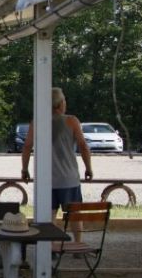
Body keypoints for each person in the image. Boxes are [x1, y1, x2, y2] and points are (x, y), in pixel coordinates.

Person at [20, 87, 93, 237]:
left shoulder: (37, 122)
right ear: (60, 104)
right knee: (74, 214)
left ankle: (50, 245)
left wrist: (24, 169)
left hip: (45, 180)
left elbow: (27, 146)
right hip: (68, 178)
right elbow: (83, 146)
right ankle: (78, 243)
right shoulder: (72, 121)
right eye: (64, 100)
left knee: (49, 215)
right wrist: (88, 168)